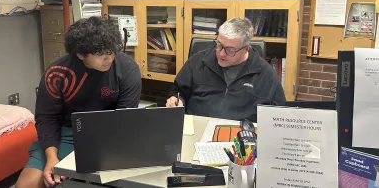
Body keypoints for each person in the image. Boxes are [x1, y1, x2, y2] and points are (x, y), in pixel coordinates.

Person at [16, 17, 142, 188]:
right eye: (100, 54)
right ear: (80, 54)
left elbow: (124, 118)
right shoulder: (57, 73)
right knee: (26, 185)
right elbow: (46, 119)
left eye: (111, 51)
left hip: (110, 134)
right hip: (67, 134)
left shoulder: (127, 69)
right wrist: (52, 157)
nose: (109, 59)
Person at [166, 17, 285, 121]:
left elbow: (278, 116)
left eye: (230, 50)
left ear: (246, 49)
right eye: (219, 45)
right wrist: (175, 99)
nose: (221, 54)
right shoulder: (197, 61)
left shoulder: (266, 75)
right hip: (196, 128)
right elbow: (177, 91)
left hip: (239, 136)